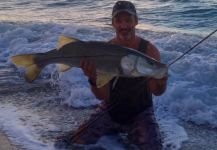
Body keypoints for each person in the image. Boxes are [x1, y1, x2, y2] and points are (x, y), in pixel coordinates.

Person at [57, 1, 168, 150]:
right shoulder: (105, 49)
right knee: (73, 142)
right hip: (110, 110)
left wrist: (161, 81)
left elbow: (157, 91)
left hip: (140, 113)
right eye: (119, 21)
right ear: (113, 23)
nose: (124, 25)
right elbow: (102, 96)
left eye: (128, 20)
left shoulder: (149, 51)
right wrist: (93, 79)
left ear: (136, 21)